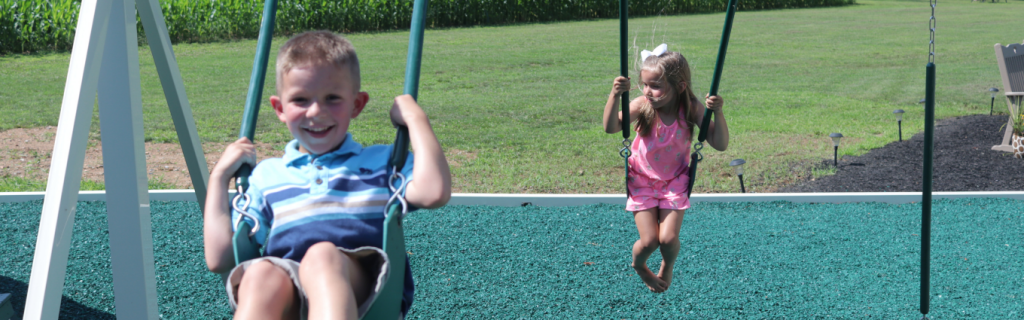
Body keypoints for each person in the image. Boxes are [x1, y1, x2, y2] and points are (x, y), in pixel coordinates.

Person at [203, 30, 451, 319]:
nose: (316, 112)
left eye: (332, 98)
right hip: (289, 289)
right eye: (300, 100)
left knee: (322, 256)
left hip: (361, 284)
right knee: (259, 274)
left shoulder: (381, 163)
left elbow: (434, 192)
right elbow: (219, 258)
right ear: (279, 108)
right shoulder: (266, 176)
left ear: (357, 104)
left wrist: (415, 118)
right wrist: (219, 178)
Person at [601, 44, 729, 293]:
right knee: (648, 241)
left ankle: (667, 265)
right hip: (641, 181)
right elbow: (611, 127)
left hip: (674, 183)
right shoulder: (643, 105)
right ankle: (639, 266)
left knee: (668, 240)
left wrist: (718, 112)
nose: (648, 91)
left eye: (656, 86)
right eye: (645, 85)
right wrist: (614, 95)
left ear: (679, 86)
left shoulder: (690, 108)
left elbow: (720, 144)